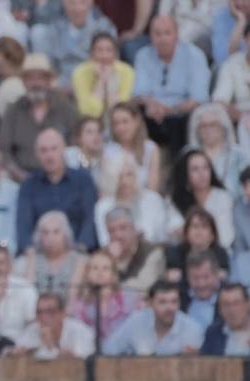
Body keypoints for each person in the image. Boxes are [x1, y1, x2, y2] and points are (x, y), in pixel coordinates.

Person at [0, 54, 80, 182]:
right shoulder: (13, 110)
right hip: (20, 179)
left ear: (49, 81)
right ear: (23, 82)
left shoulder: (65, 108)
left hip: (61, 178)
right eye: (30, 78)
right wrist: (20, 175)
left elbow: (75, 146)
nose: (36, 83)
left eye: (41, 78)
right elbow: (3, 150)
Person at [133, 16, 209, 156]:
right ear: (150, 36)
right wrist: (150, 103)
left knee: (184, 121)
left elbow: (198, 98)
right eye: (157, 34)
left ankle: (180, 166)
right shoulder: (142, 55)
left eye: (167, 33)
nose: (162, 39)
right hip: (152, 113)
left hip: (181, 113)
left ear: (176, 34)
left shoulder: (195, 56)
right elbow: (139, 93)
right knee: (134, 113)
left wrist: (171, 110)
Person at [16, 129, 98, 254]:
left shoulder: (83, 180)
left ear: (64, 150)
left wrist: (80, 250)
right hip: (40, 255)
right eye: (43, 150)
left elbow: (90, 219)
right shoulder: (29, 185)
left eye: (54, 149)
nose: (49, 155)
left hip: (79, 253)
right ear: (37, 154)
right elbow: (24, 225)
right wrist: (30, 252)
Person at [102, 280, 204, 355]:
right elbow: (108, 349)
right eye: (162, 302)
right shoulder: (137, 321)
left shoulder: (192, 328)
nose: (169, 308)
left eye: (174, 302)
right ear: (150, 303)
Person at [68, 249, 140, 341]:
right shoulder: (80, 306)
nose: (100, 272)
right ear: (87, 275)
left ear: (113, 274)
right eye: (95, 268)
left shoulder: (129, 298)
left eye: (105, 268)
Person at [170, 149, 235, 247]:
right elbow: (173, 231)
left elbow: (225, 237)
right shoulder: (176, 199)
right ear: (185, 174)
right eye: (195, 169)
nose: (202, 173)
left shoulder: (223, 198)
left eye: (206, 167)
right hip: (187, 253)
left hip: (216, 253)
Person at [12, 291, 96, 359]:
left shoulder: (80, 331)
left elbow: (82, 362)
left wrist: (51, 346)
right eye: (39, 312)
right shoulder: (32, 329)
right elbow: (16, 351)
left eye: (50, 312)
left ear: (62, 313)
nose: (44, 317)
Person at [104, 206, 165, 295]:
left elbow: (143, 287)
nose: (118, 235)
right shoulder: (104, 255)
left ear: (134, 228)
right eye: (112, 231)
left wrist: (111, 287)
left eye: (123, 228)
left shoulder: (152, 252)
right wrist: (112, 261)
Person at [72, 32, 132, 118]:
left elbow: (119, 110)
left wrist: (110, 82)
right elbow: (89, 113)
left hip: (118, 123)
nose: (104, 56)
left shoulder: (127, 72)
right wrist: (101, 81)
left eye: (109, 50)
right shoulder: (80, 73)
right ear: (91, 54)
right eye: (99, 50)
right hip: (90, 124)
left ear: (116, 54)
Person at [200, 282, 250, 356]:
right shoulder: (213, 333)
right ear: (220, 309)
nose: (231, 310)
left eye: (236, 303)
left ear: (247, 304)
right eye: (226, 304)